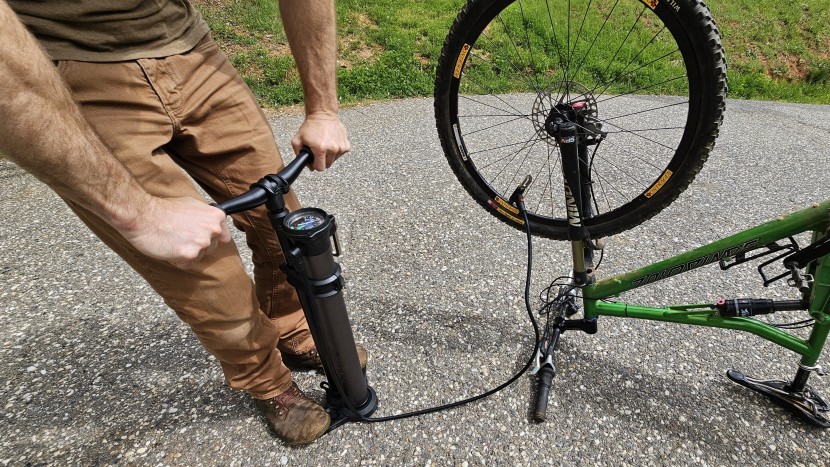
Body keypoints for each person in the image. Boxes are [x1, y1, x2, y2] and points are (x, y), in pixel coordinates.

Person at [0, 0, 363, 446]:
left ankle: (288, 326)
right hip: (65, 69)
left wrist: (323, 108)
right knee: (202, 267)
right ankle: (267, 383)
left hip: (193, 50)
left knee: (280, 222)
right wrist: (137, 212)